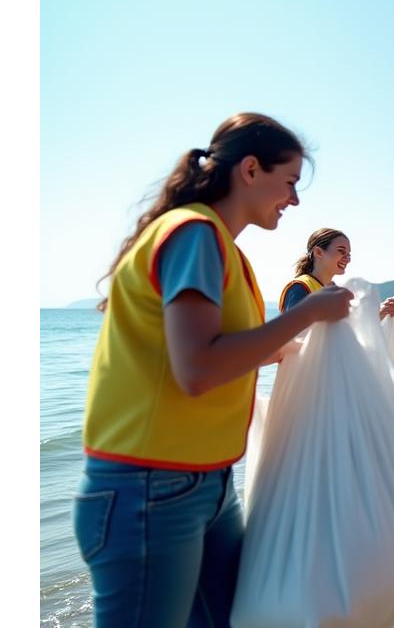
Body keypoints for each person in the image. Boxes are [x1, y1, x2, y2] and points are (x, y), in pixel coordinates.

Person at [74, 113, 353, 627]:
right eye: (289, 182)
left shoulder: (226, 251)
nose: (294, 200)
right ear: (251, 170)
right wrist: (306, 314)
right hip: (149, 488)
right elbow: (198, 368)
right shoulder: (194, 235)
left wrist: (299, 349)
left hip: (205, 486)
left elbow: (226, 352)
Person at [278, 227, 394, 318]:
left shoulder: (335, 291)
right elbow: (299, 338)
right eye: (341, 251)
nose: (347, 258)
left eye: (349, 254)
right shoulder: (300, 288)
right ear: (318, 252)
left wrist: (388, 311)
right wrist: (376, 314)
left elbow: (345, 335)